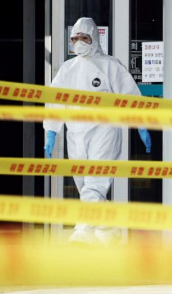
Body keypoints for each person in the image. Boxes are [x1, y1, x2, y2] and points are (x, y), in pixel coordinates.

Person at [43, 17, 151, 245]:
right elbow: (54, 101)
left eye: (84, 37)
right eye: (75, 39)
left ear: (95, 38)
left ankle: (82, 230)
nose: (79, 42)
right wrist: (51, 131)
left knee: (94, 183)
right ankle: (108, 228)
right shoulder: (67, 68)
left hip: (104, 132)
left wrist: (141, 124)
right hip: (75, 134)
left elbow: (130, 96)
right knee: (85, 186)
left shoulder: (110, 66)